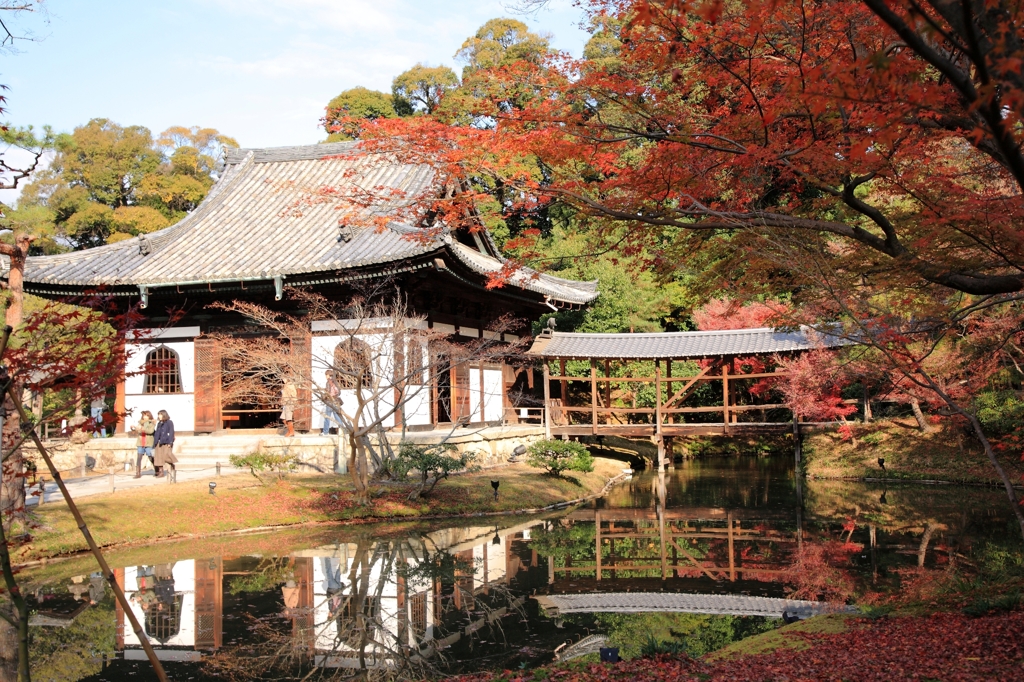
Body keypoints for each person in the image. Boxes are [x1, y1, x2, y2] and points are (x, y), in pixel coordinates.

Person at [131, 411, 156, 479]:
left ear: (149, 416)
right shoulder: (140, 422)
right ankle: (138, 473)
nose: (144, 417)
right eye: (143, 415)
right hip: (140, 442)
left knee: (151, 456)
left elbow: (151, 431)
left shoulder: (152, 422)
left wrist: (143, 429)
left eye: (146, 415)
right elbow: (138, 430)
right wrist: (134, 428)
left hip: (148, 442)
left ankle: (157, 470)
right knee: (139, 458)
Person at [153, 410, 178, 479]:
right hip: (159, 442)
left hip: (166, 442)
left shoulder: (169, 422)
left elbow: (171, 432)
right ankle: (161, 472)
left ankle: (172, 465)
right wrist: (155, 441)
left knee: (166, 455)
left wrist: (170, 442)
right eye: (158, 415)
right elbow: (157, 433)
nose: (159, 416)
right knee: (158, 457)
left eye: (160, 415)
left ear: (164, 415)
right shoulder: (159, 423)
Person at [321, 371, 342, 436]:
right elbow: (339, 392)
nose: (325, 376)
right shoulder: (335, 382)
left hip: (330, 401)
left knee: (327, 416)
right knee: (337, 416)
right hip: (336, 401)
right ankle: (342, 430)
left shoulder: (328, 382)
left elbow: (328, 392)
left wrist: (324, 396)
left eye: (326, 375)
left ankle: (325, 432)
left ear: (328, 375)